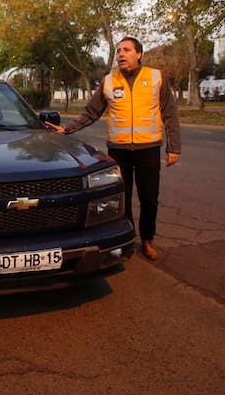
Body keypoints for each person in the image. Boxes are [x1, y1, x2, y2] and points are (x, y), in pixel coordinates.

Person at [45, 36, 181, 261]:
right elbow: (91, 112)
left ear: (139, 54)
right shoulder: (109, 81)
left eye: (126, 50)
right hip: (119, 151)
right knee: (121, 198)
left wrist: (173, 147)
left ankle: (147, 240)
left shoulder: (155, 78)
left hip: (148, 149)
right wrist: (67, 130)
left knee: (149, 198)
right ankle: (126, 239)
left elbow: (170, 114)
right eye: (118, 51)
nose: (120, 54)